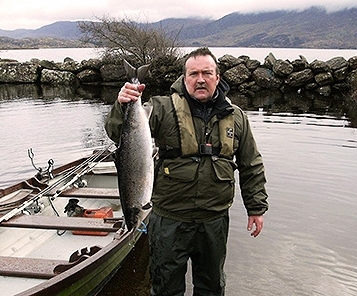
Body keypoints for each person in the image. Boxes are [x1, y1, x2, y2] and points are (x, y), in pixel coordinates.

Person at [105, 47, 268, 296]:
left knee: (211, 288)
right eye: (193, 74)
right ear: (184, 77)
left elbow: (251, 164)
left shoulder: (236, 117)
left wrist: (255, 208)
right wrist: (122, 104)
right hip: (169, 220)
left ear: (218, 76)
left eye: (206, 73)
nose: (200, 79)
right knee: (165, 289)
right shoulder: (161, 108)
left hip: (213, 220)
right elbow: (118, 133)